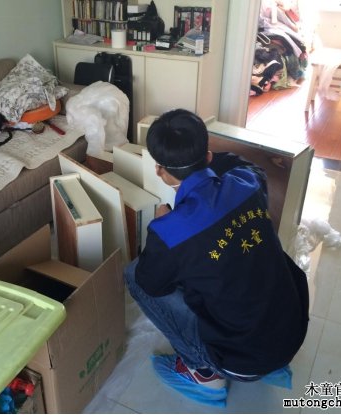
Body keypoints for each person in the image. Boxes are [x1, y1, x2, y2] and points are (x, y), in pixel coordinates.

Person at [124, 109, 309, 404]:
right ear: (208, 156)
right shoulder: (248, 182)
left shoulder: (170, 230)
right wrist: (199, 160)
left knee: (134, 274)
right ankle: (269, 364)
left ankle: (204, 375)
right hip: (291, 334)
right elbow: (241, 163)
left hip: (240, 361)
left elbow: (150, 283)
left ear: (160, 171)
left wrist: (158, 228)